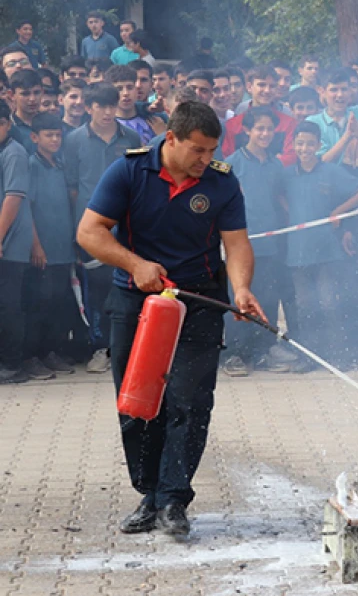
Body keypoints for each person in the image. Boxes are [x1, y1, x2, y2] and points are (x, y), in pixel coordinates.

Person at [76, 101, 262, 536]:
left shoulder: (221, 181)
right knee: (139, 400)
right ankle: (149, 492)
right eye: (197, 150)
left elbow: (236, 244)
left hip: (199, 299)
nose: (204, 159)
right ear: (171, 139)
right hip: (136, 300)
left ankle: (174, 499)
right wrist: (134, 263)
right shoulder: (128, 171)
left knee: (190, 400)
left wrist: (242, 289)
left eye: (211, 149)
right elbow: (89, 232)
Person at [62, 83, 142, 374]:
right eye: (101, 106)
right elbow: (72, 187)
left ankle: (127, 348)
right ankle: (100, 348)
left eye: (112, 106)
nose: (108, 112)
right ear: (89, 108)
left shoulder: (131, 137)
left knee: (126, 290)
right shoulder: (73, 141)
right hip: (91, 231)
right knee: (96, 292)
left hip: (126, 228)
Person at [282, 121, 358, 363]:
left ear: (319, 145)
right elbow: (278, 193)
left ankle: (338, 355)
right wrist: (289, 210)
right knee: (305, 307)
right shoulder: (288, 174)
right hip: (298, 253)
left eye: (310, 143)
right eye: (300, 143)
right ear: (293, 145)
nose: (305, 148)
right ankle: (308, 357)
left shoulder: (330, 171)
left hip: (327, 251)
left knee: (330, 303)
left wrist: (339, 211)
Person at [220, 108, 289, 377]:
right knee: (237, 300)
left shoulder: (275, 164)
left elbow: (278, 199)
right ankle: (235, 354)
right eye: (259, 128)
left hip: (269, 245)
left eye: (269, 129)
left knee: (268, 299)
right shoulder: (231, 163)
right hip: (239, 247)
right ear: (246, 130)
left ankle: (263, 351)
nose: (265, 134)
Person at [24, 112, 79, 379]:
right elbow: (27, 208)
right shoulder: (32, 165)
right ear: (35, 137)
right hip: (42, 251)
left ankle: (50, 352)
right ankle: (32, 356)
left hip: (62, 250)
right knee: (38, 304)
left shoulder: (59, 165)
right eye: (49, 135)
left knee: (58, 302)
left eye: (58, 134)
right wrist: (36, 245)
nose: (55, 139)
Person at [0, 99, 35, 384]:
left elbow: (13, 197)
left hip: (9, 244)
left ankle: (12, 365)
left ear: (8, 124)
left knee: (8, 306)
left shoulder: (14, 152)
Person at [221, 66, 296, 165]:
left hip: (278, 178)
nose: (267, 90)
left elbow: (291, 157)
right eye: (261, 85)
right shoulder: (233, 125)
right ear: (249, 87)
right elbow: (226, 159)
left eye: (272, 86)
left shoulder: (289, 123)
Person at [106, 65, 159, 145]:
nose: (126, 93)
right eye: (119, 89)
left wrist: (163, 135)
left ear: (136, 88)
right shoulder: (107, 124)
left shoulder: (153, 120)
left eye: (130, 87)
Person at [8, 69, 42, 152]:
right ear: (12, 95)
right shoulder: (7, 128)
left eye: (37, 92)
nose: (32, 99)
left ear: (43, 92)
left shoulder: (51, 123)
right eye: (25, 94)